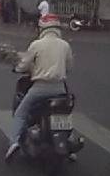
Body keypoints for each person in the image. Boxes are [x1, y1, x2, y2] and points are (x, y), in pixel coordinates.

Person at [4, 13, 74, 161]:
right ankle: (69, 143)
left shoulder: (37, 44)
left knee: (21, 113)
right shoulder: (65, 45)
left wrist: (18, 68)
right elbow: (69, 66)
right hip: (60, 88)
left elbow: (25, 64)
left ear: (42, 28)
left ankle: (14, 142)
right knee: (64, 115)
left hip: (40, 88)